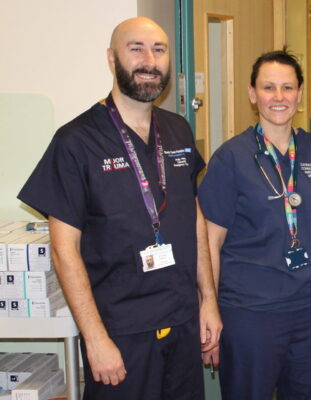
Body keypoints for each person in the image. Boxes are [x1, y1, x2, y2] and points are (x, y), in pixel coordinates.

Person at [17, 17, 221, 400]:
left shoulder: (177, 130)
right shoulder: (76, 142)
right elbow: (64, 251)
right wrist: (95, 339)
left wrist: (207, 300)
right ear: (112, 59)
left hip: (181, 321)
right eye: (136, 49)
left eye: (159, 50)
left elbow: (193, 217)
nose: (149, 60)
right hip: (121, 332)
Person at [198, 49, 311, 399]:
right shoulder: (231, 157)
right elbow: (210, 241)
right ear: (253, 94)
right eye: (269, 88)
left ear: (299, 94)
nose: (278, 97)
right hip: (251, 311)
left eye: (287, 87)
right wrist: (209, 306)